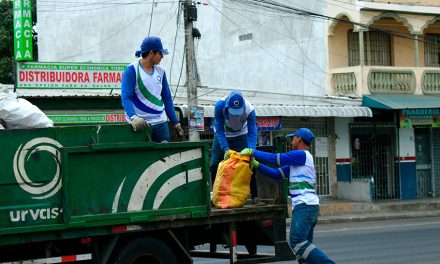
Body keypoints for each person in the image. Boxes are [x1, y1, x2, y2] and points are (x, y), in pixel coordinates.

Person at [240, 128, 335, 264]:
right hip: (307, 207)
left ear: (300, 139)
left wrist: (252, 151)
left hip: (305, 206)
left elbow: (275, 159)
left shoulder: (302, 155)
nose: (291, 141)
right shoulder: (297, 162)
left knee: (297, 243)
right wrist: (256, 164)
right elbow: (276, 174)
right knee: (303, 251)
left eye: (293, 138)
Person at [121, 36, 184, 143]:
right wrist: (133, 117)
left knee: (164, 157)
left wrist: (175, 123)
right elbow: (126, 97)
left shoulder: (161, 71)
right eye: (160, 53)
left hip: (161, 124)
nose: (162, 57)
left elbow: (167, 98)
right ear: (151, 53)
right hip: (140, 124)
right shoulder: (132, 70)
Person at [210, 90, 258, 197]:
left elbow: (252, 131)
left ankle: (254, 196)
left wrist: (251, 149)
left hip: (241, 135)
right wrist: (225, 148)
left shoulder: (249, 109)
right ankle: (215, 195)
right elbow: (219, 129)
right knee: (215, 164)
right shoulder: (219, 106)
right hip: (222, 135)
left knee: (249, 162)